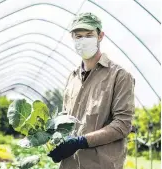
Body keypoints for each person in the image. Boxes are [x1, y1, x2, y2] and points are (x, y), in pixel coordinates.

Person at [47, 12, 135, 169]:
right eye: (78, 36)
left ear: (100, 36)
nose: (83, 41)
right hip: (70, 165)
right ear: (72, 38)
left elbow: (122, 124)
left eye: (89, 35)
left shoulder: (119, 76)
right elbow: (65, 120)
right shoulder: (72, 78)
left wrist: (81, 141)